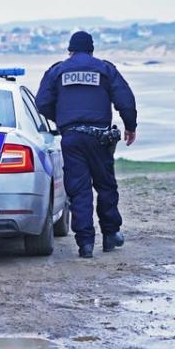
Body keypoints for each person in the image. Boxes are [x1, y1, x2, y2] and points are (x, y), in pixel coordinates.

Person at [36, 31, 138, 259]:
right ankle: (111, 235)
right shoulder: (105, 69)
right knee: (105, 186)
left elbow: (42, 103)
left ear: (70, 50)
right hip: (100, 138)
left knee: (79, 189)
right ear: (91, 49)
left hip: (72, 138)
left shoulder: (57, 70)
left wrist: (63, 120)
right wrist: (130, 126)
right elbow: (126, 100)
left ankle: (85, 245)